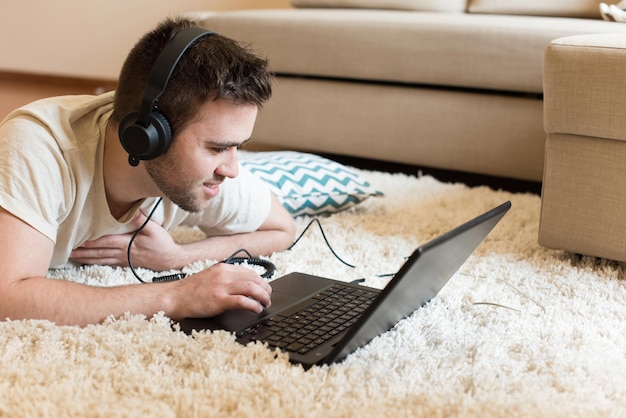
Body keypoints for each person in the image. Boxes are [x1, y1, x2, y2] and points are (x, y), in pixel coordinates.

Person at [0, 17, 296, 327]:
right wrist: (176, 296)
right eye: (217, 148)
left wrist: (177, 257)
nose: (232, 170)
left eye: (237, 147)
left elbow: (281, 229)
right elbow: (8, 295)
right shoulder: (38, 149)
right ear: (148, 135)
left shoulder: (204, 176)